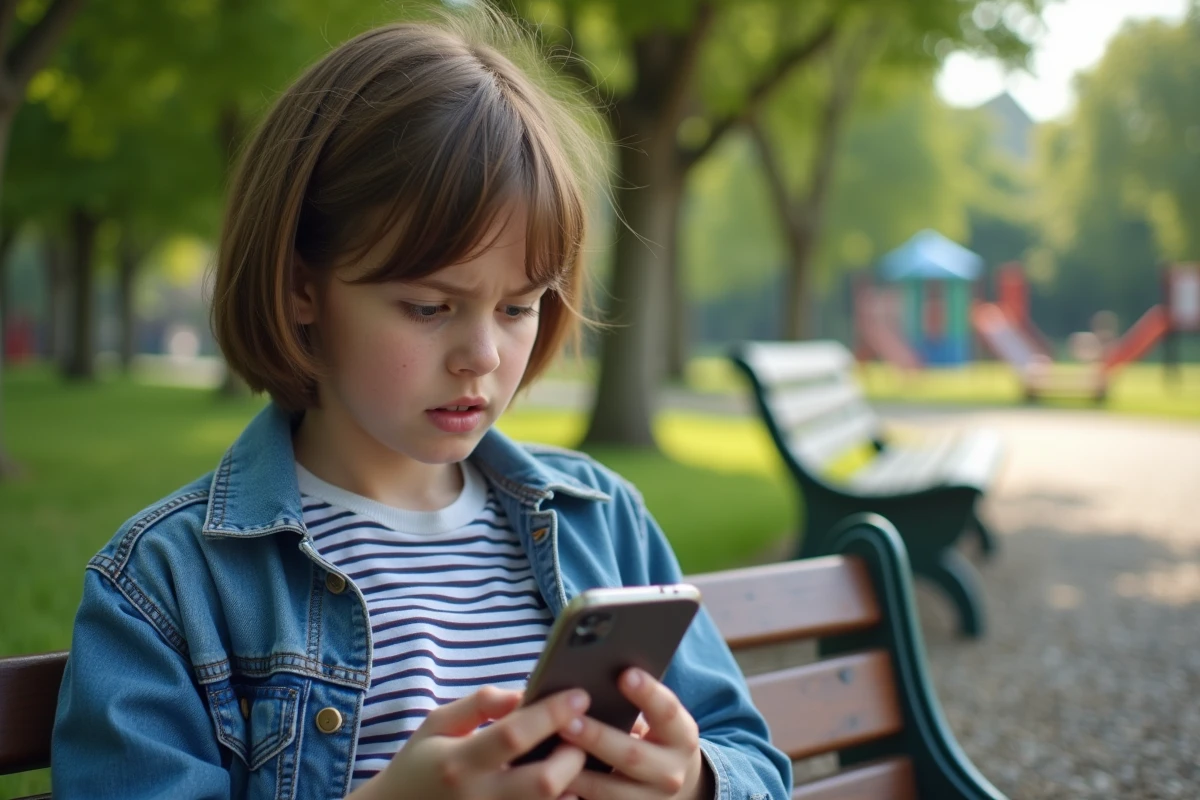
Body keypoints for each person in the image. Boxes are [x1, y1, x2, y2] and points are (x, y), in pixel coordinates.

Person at [51, 9, 791, 800]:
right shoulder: (170, 586)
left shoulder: (603, 521)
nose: (484, 355)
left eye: (518, 307)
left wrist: (696, 781)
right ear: (304, 288)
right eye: (430, 307)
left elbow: (749, 756)